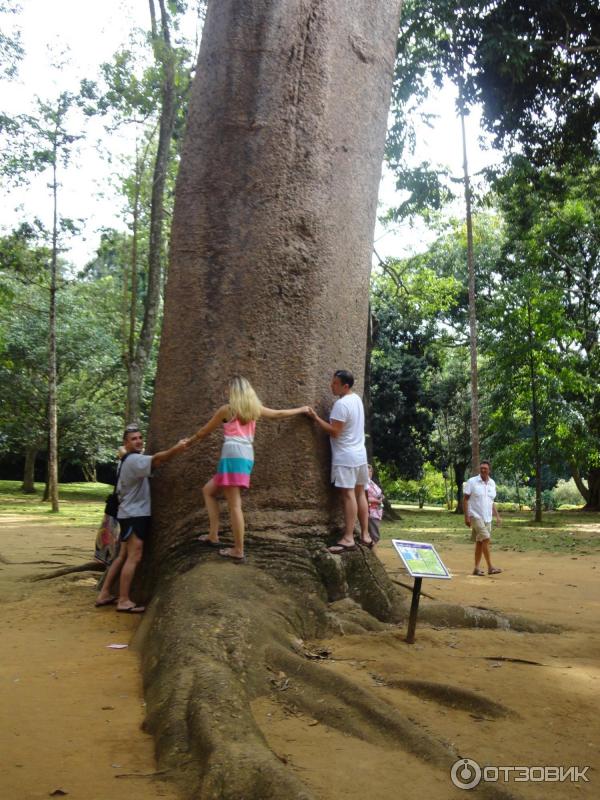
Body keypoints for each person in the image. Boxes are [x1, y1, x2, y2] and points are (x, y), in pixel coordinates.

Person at [186, 376, 309, 562]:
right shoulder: (254, 410)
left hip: (232, 455)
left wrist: (189, 441)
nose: (226, 391)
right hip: (245, 455)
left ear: (234, 391)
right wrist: (301, 409)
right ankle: (213, 534)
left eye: (228, 389)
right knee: (208, 490)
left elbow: (204, 432)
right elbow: (278, 414)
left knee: (234, 504)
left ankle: (238, 549)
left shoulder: (227, 410)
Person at [95, 424, 188, 613]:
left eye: (139, 437)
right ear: (126, 443)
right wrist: (176, 449)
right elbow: (158, 459)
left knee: (122, 556)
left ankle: (104, 592)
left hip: (126, 513)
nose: (138, 441)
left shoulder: (124, 458)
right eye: (133, 439)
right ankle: (123, 600)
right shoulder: (134, 460)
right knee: (134, 556)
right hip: (135, 515)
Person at [307, 369, 372, 553]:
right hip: (360, 454)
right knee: (360, 494)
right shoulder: (357, 400)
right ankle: (365, 535)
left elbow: (335, 431)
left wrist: (315, 418)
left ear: (345, 386)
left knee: (348, 495)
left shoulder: (341, 405)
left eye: (335, 383)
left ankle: (349, 537)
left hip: (346, 456)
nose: (331, 385)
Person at [463, 460, 502, 576]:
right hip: (475, 516)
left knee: (480, 542)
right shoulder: (472, 482)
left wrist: (497, 516)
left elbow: (491, 502)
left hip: (487, 518)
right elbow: (465, 499)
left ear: (489, 470)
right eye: (481, 468)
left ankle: (476, 568)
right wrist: (466, 517)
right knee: (486, 539)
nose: (483, 470)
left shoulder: (492, 483)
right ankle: (490, 567)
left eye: (485, 468)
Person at [366, 465, 384, 548]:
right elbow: (362, 498)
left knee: (375, 534)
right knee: (374, 535)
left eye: (370, 471)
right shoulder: (363, 484)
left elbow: (378, 494)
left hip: (377, 512)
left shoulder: (372, 483)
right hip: (370, 512)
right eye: (366, 471)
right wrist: (376, 501)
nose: (369, 473)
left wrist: (381, 497)